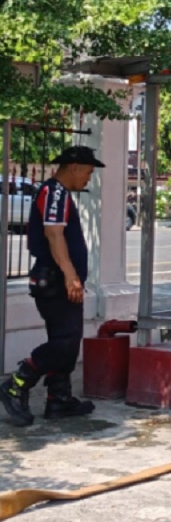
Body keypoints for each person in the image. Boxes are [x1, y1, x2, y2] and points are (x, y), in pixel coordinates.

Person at [0, 145, 105, 427]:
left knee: (66, 341)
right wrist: (71, 275)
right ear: (74, 167)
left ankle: (58, 398)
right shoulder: (54, 192)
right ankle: (16, 384)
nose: (88, 178)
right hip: (56, 280)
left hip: (60, 280)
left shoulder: (60, 193)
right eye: (88, 172)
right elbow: (54, 234)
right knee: (65, 342)